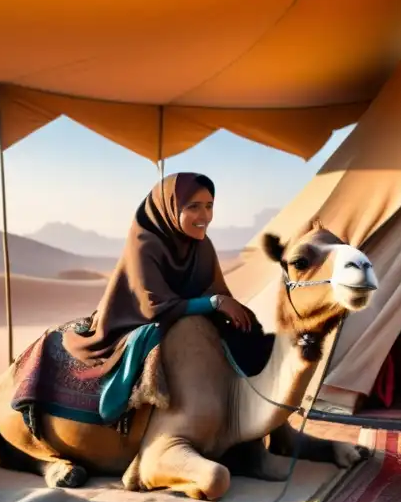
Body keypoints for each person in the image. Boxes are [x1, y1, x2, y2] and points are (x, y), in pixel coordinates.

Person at [62, 173, 256, 420]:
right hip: (134, 318)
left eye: (209, 206)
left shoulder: (202, 245)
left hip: (179, 312)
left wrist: (223, 306)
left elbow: (213, 288)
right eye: (193, 207)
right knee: (150, 333)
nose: (205, 216)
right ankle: (116, 400)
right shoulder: (145, 243)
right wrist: (214, 303)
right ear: (170, 209)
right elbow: (154, 307)